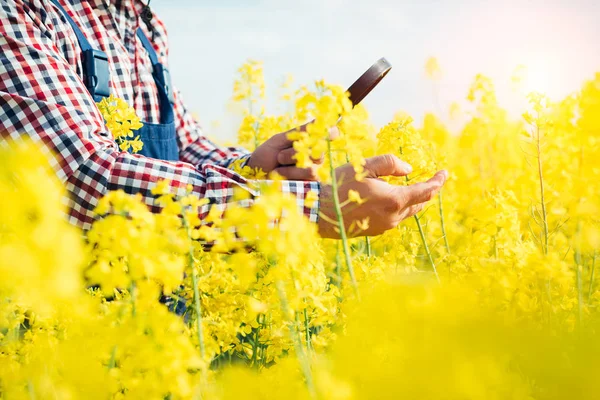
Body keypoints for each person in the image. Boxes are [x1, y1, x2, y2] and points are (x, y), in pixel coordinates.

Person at [0, 0, 448, 239]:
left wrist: (258, 168)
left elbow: (185, 145)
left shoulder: (142, 25)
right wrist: (310, 208)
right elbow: (83, 179)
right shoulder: (20, 11)